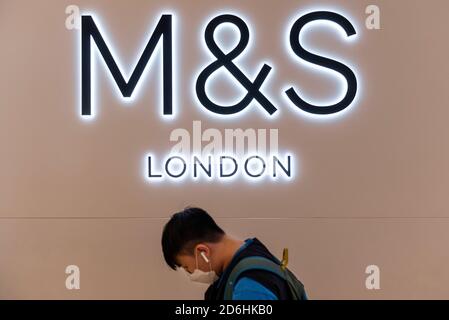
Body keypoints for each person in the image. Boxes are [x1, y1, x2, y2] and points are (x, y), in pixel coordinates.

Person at [161, 207, 308, 300]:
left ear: (202, 252)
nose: (191, 274)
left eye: (187, 267)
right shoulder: (253, 256)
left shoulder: (248, 285)